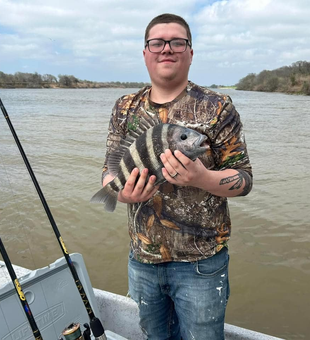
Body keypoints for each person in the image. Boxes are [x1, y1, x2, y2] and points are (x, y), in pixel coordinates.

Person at [100, 13, 253, 340]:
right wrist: (120, 193)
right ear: (145, 53)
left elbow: (244, 180)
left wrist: (202, 178)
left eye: (177, 42)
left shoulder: (217, 106)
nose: (166, 49)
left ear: (190, 52)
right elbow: (109, 171)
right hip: (141, 262)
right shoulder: (125, 107)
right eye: (157, 42)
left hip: (202, 265)